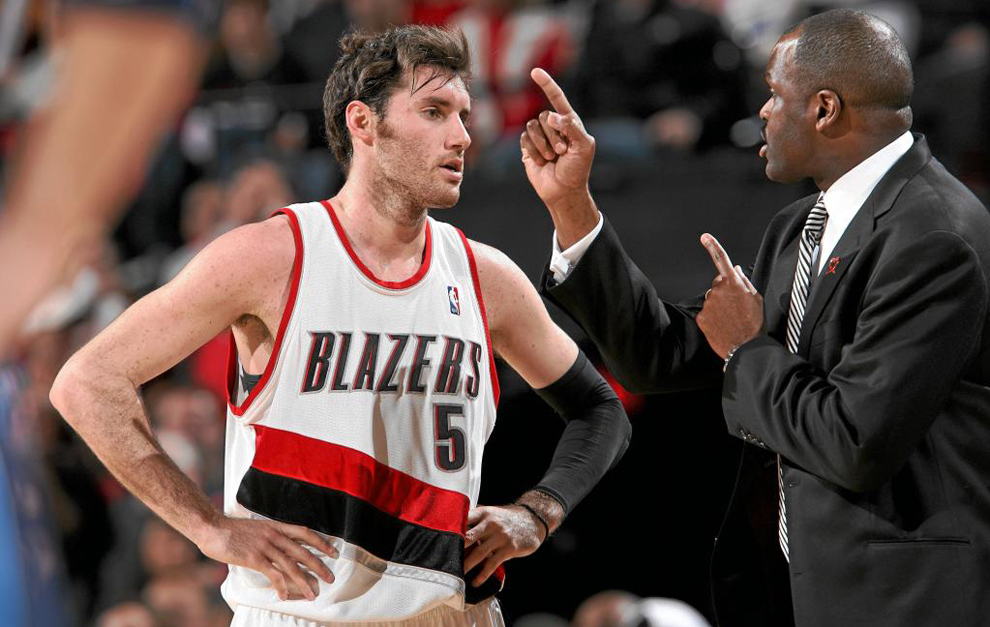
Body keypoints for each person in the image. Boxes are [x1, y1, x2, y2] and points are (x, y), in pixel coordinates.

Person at [50, 25, 631, 627]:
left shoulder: (485, 276)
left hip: (453, 612)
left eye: (463, 115)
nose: (461, 135)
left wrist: (538, 512)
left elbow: (600, 409)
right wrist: (207, 528)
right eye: (434, 112)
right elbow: (87, 382)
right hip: (303, 612)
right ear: (363, 123)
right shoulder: (270, 256)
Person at [521, 9, 990, 627]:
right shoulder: (799, 227)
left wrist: (746, 349)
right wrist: (572, 207)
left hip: (904, 602)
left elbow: (855, 442)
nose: (762, 112)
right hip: (795, 593)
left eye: (774, 94)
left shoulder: (934, 237)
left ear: (825, 109)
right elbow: (658, 356)